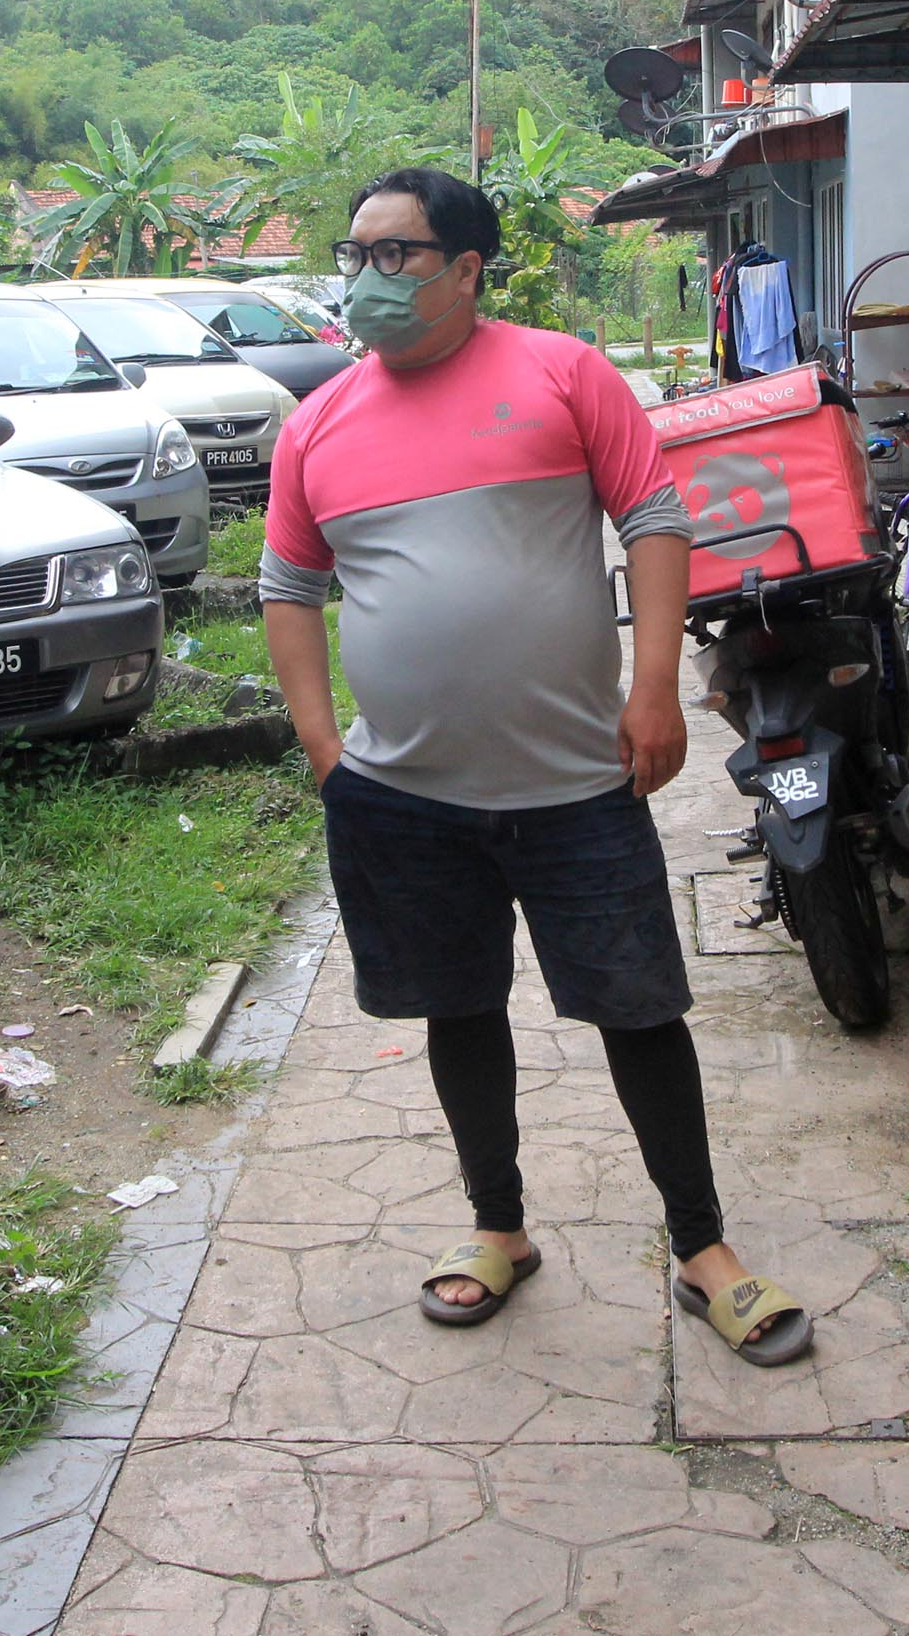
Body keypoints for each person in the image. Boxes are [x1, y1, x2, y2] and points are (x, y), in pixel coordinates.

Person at [259, 168, 810, 1367]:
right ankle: (498, 1226)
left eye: (396, 255)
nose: (367, 278)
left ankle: (702, 1245)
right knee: (459, 1009)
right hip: (404, 798)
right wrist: (324, 747)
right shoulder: (318, 422)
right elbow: (288, 587)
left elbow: (654, 518)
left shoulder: (563, 372)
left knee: (639, 1010)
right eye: (355, 254)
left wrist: (653, 688)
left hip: (575, 785)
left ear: (467, 268)